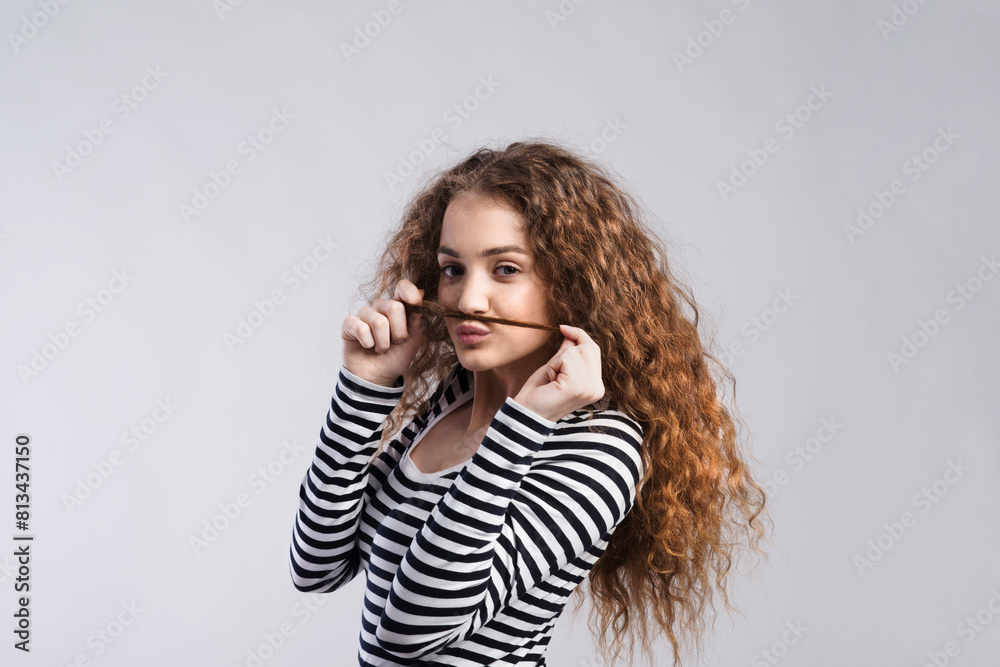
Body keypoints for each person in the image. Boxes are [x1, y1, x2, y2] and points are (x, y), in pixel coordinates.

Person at [288, 140, 772, 667]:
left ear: (572, 281)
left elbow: (410, 628)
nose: (469, 299)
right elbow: (317, 566)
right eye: (453, 269)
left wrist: (522, 424)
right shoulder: (454, 400)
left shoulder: (599, 448)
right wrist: (364, 390)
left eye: (506, 270)